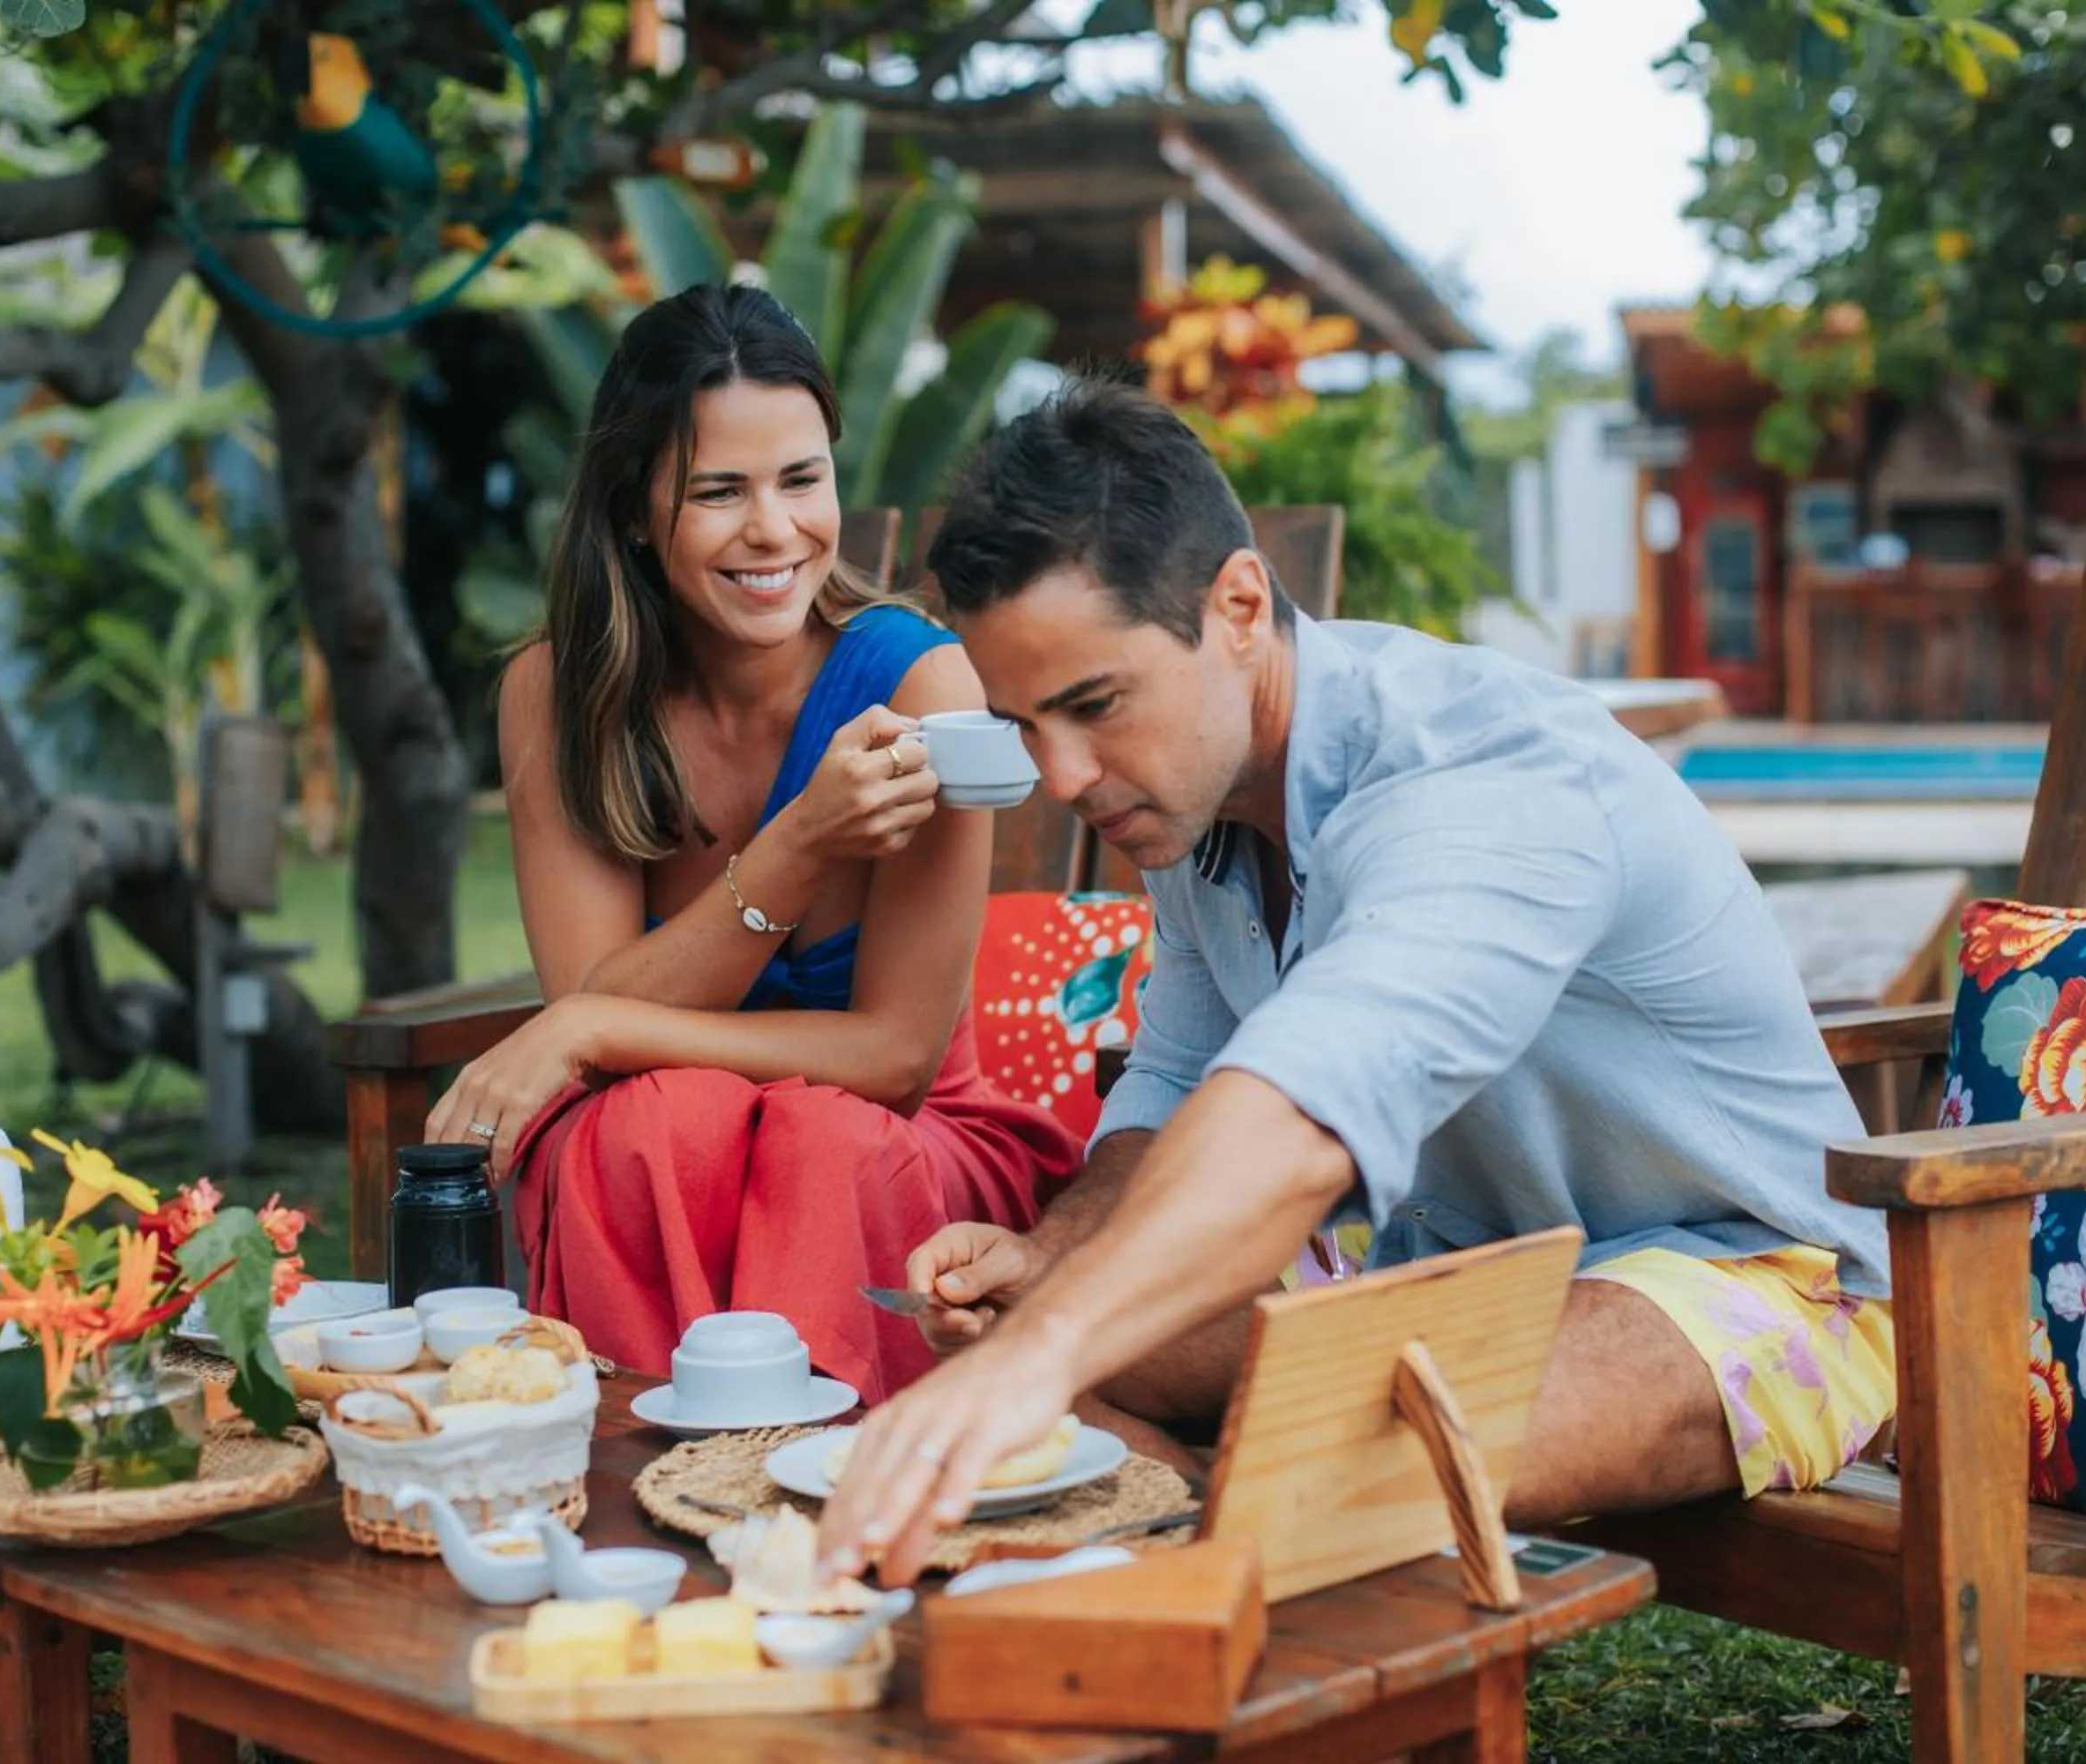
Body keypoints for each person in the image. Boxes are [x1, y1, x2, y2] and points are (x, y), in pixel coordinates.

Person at [815, 375, 1896, 1584]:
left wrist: (1046, 1356)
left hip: (1745, 1277)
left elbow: (1315, 1091)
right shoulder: (1193, 794)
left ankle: (1205, 1549)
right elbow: (1175, 1073)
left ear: (1236, 604)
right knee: (1035, 1334)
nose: (1063, 775)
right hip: (1449, 1272)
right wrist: (1053, 1260)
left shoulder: (1478, 777)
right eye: (1025, 726)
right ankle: (1196, 1550)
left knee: (1313, 1446)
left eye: (1093, 706)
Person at [421, 285, 1081, 1405]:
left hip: (893, 1145)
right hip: (660, 1152)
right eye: (719, 491)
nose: (775, 531)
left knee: (813, 1139)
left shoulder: (919, 688)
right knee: (651, 1123)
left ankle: (824, 1496)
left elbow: (896, 1062)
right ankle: (631, 1481)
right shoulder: (558, 692)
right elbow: (603, 1049)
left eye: (802, 479)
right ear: (636, 509)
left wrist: (588, 1020)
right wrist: (799, 847)